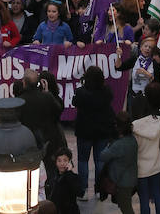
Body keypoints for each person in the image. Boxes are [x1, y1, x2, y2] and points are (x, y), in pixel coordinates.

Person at [72, 65, 116, 200]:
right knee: (100, 161)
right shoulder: (107, 92)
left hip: (85, 131)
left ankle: (83, 190)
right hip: (102, 132)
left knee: (83, 160)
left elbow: (75, 102)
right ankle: (99, 190)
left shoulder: (80, 92)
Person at [132, 83, 160, 214]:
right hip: (157, 164)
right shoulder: (158, 121)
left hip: (141, 168)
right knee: (157, 195)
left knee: (144, 199)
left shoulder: (134, 126)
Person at [98, 111, 139, 214]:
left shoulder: (118, 144)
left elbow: (102, 156)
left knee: (126, 208)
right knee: (125, 205)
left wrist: (109, 144)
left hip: (121, 181)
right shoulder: (132, 140)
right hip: (131, 178)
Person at [45, 148, 80, 214]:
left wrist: (69, 173)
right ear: (56, 162)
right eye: (59, 161)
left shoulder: (73, 177)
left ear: (69, 162)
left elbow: (80, 192)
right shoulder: (52, 177)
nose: (62, 163)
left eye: (65, 160)